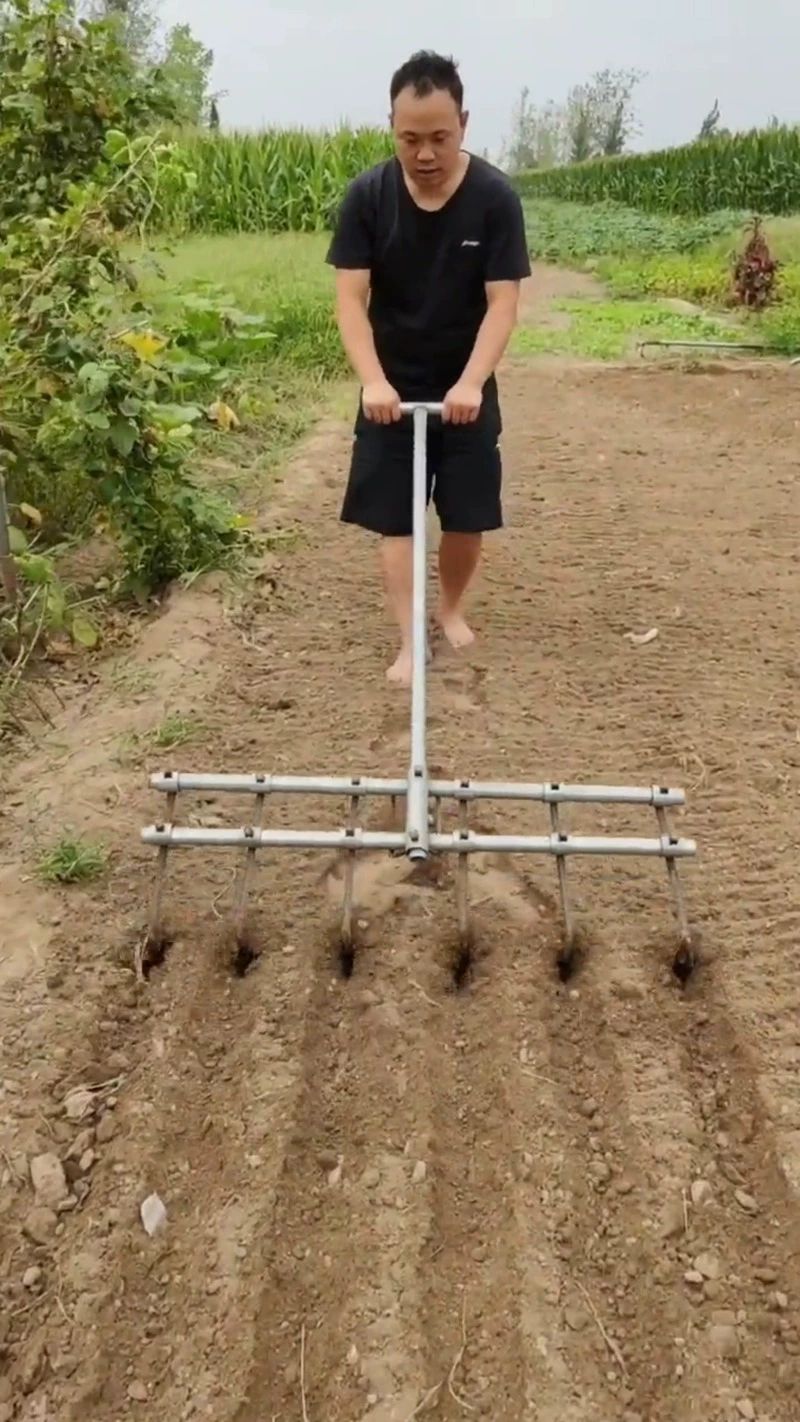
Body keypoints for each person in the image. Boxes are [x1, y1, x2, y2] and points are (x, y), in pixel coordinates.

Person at [326, 50, 531, 686]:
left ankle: (448, 610)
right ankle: (410, 637)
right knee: (397, 515)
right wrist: (372, 380)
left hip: (465, 382)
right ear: (392, 126)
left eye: (438, 138)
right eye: (409, 138)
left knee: (466, 516)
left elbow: (503, 304)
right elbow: (350, 301)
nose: (424, 154)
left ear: (463, 124)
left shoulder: (495, 199)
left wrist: (471, 381)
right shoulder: (367, 197)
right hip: (391, 385)